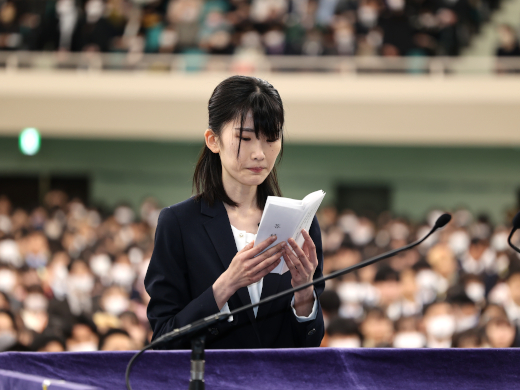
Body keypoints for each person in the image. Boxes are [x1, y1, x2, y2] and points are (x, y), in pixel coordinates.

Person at [145, 75, 325, 349]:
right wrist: (226, 285)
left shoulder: (300, 222)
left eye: (271, 138)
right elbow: (163, 339)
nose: (259, 154)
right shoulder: (179, 224)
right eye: (245, 138)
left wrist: (304, 293)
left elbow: (308, 342)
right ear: (213, 140)